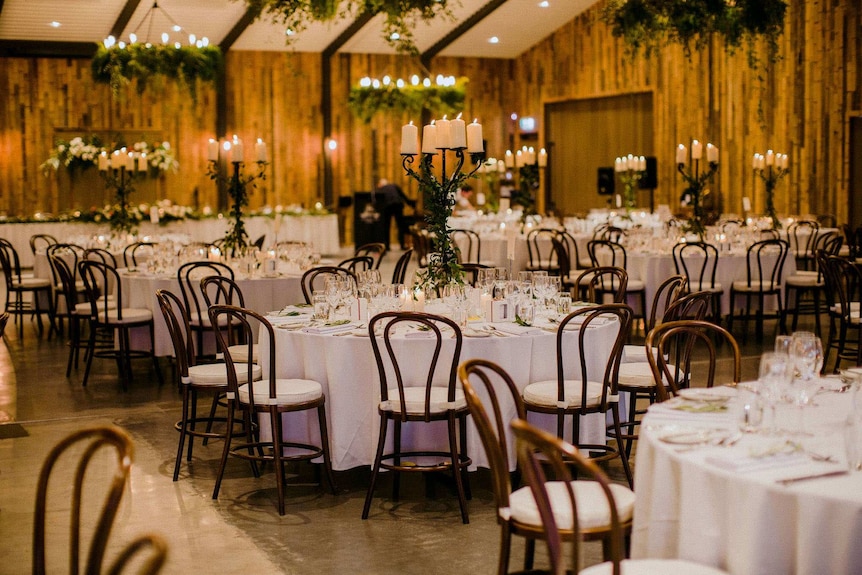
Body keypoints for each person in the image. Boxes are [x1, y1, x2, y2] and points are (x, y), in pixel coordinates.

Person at [375, 178, 416, 250]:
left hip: (387, 207)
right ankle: (402, 245)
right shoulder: (394, 186)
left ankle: (387, 246)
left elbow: (378, 202)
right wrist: (410, 203)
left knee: (386, 226)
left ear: (380, 184)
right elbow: (403, 195)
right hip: (398, 205)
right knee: (400, 225)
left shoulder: (380, 189)